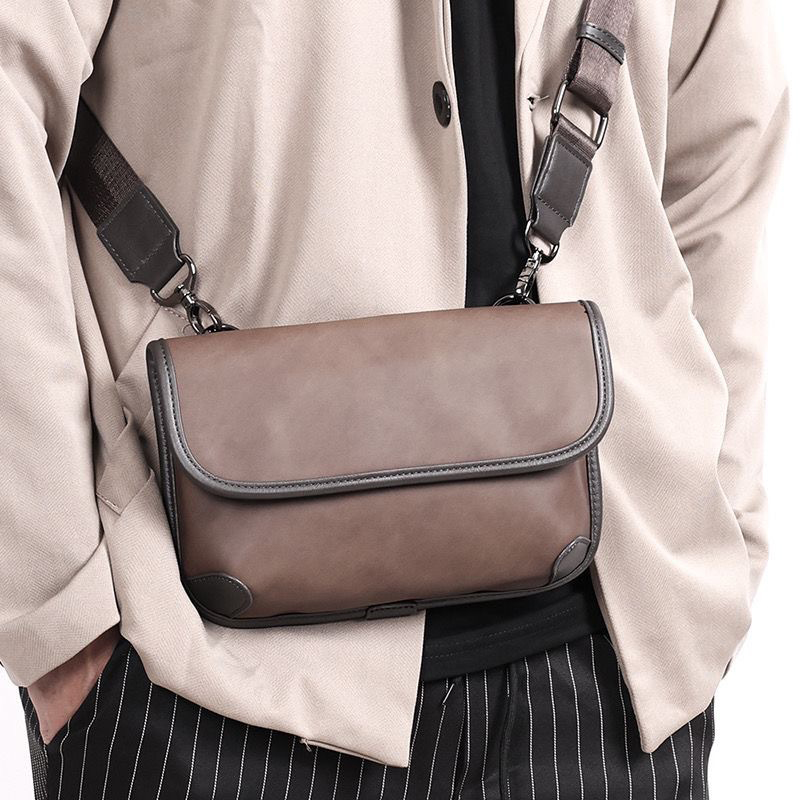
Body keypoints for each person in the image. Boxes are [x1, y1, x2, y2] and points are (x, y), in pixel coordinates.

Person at [0, 1, 787, 798]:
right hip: (202, 671)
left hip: (613, 665)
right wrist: (60, 625)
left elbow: (721, 135)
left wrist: (719, 530)